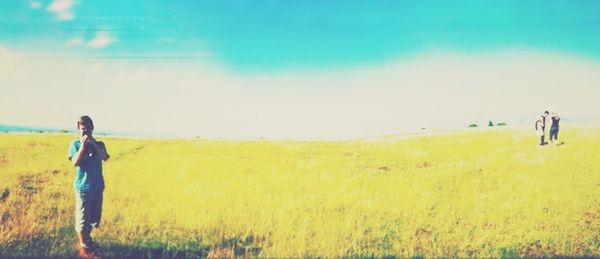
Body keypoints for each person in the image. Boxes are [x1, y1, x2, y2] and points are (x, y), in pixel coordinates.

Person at [68, 116, 110, 258]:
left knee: (93, 218)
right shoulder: (74, 144)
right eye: (82, 129)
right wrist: (83, 147)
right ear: (78, 130)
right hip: (83, 187)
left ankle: (87, 240)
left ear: (93, 128)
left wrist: (93, 145)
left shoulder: (100, 144)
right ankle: (84, 247)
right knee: (82, 219)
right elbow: (75, 162)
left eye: (88, 128)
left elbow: (105, 157)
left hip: (98, 187)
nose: (85, 132)